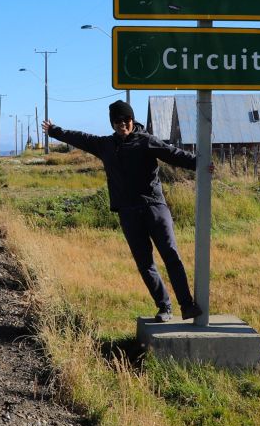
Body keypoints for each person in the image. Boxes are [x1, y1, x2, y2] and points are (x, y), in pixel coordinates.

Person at [42, 100, 209, 322]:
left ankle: (186, 305)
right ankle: (164, 307)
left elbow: (173, 154)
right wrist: (55, 131)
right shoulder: (106, 145)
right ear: (112, 124)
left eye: (126, 120)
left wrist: (201, 164)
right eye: (118, 121)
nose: (123, 125)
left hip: (154, 207)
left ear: (132, 120)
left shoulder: (146, 141)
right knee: (145, 264)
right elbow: (80, 138)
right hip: (128, 213)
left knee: (171, 255)